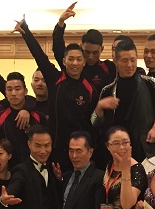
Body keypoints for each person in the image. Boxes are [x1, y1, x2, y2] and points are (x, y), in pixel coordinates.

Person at [16, 17, 96, 172]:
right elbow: (39, 55)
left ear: (84, 62)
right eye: (71, 59)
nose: (74, 63)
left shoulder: (90, 90)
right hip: (53, 149)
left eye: (78, 59)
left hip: (78, 151)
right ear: (64, 61)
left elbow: (91, 124)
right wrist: (25, 30)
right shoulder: (55, 79)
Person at [93, 38, 155, 162]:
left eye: (133, 60)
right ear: (115, 61)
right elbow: (94, 124)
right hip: (116, 153)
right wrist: (99, 106)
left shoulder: (151, 83)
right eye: (125, 61)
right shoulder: (107, 90)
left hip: (146, 151)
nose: (130, 65)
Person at [100, 126, 147, 209]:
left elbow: (127, 204)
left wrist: (125, 169)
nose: (121, 147)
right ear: (108, 146)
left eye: (125, 142)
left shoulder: (137, 169)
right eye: (116, 143)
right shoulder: (109, 165)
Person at [52, 4, 115, 95]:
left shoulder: (109, 68)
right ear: (81, 47)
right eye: (87, 52)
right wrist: (61, 22)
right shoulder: (73, 65)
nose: (90, 57)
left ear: (102, 49)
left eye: (95, 52)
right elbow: (58, 48)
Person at [0, 72, 48, 164]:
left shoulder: (39, 117)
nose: (13, 93)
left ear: (25, 91)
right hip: (10, 168)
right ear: (5, 92)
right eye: (9, 89)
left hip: (36, 166)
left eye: (17, 89)